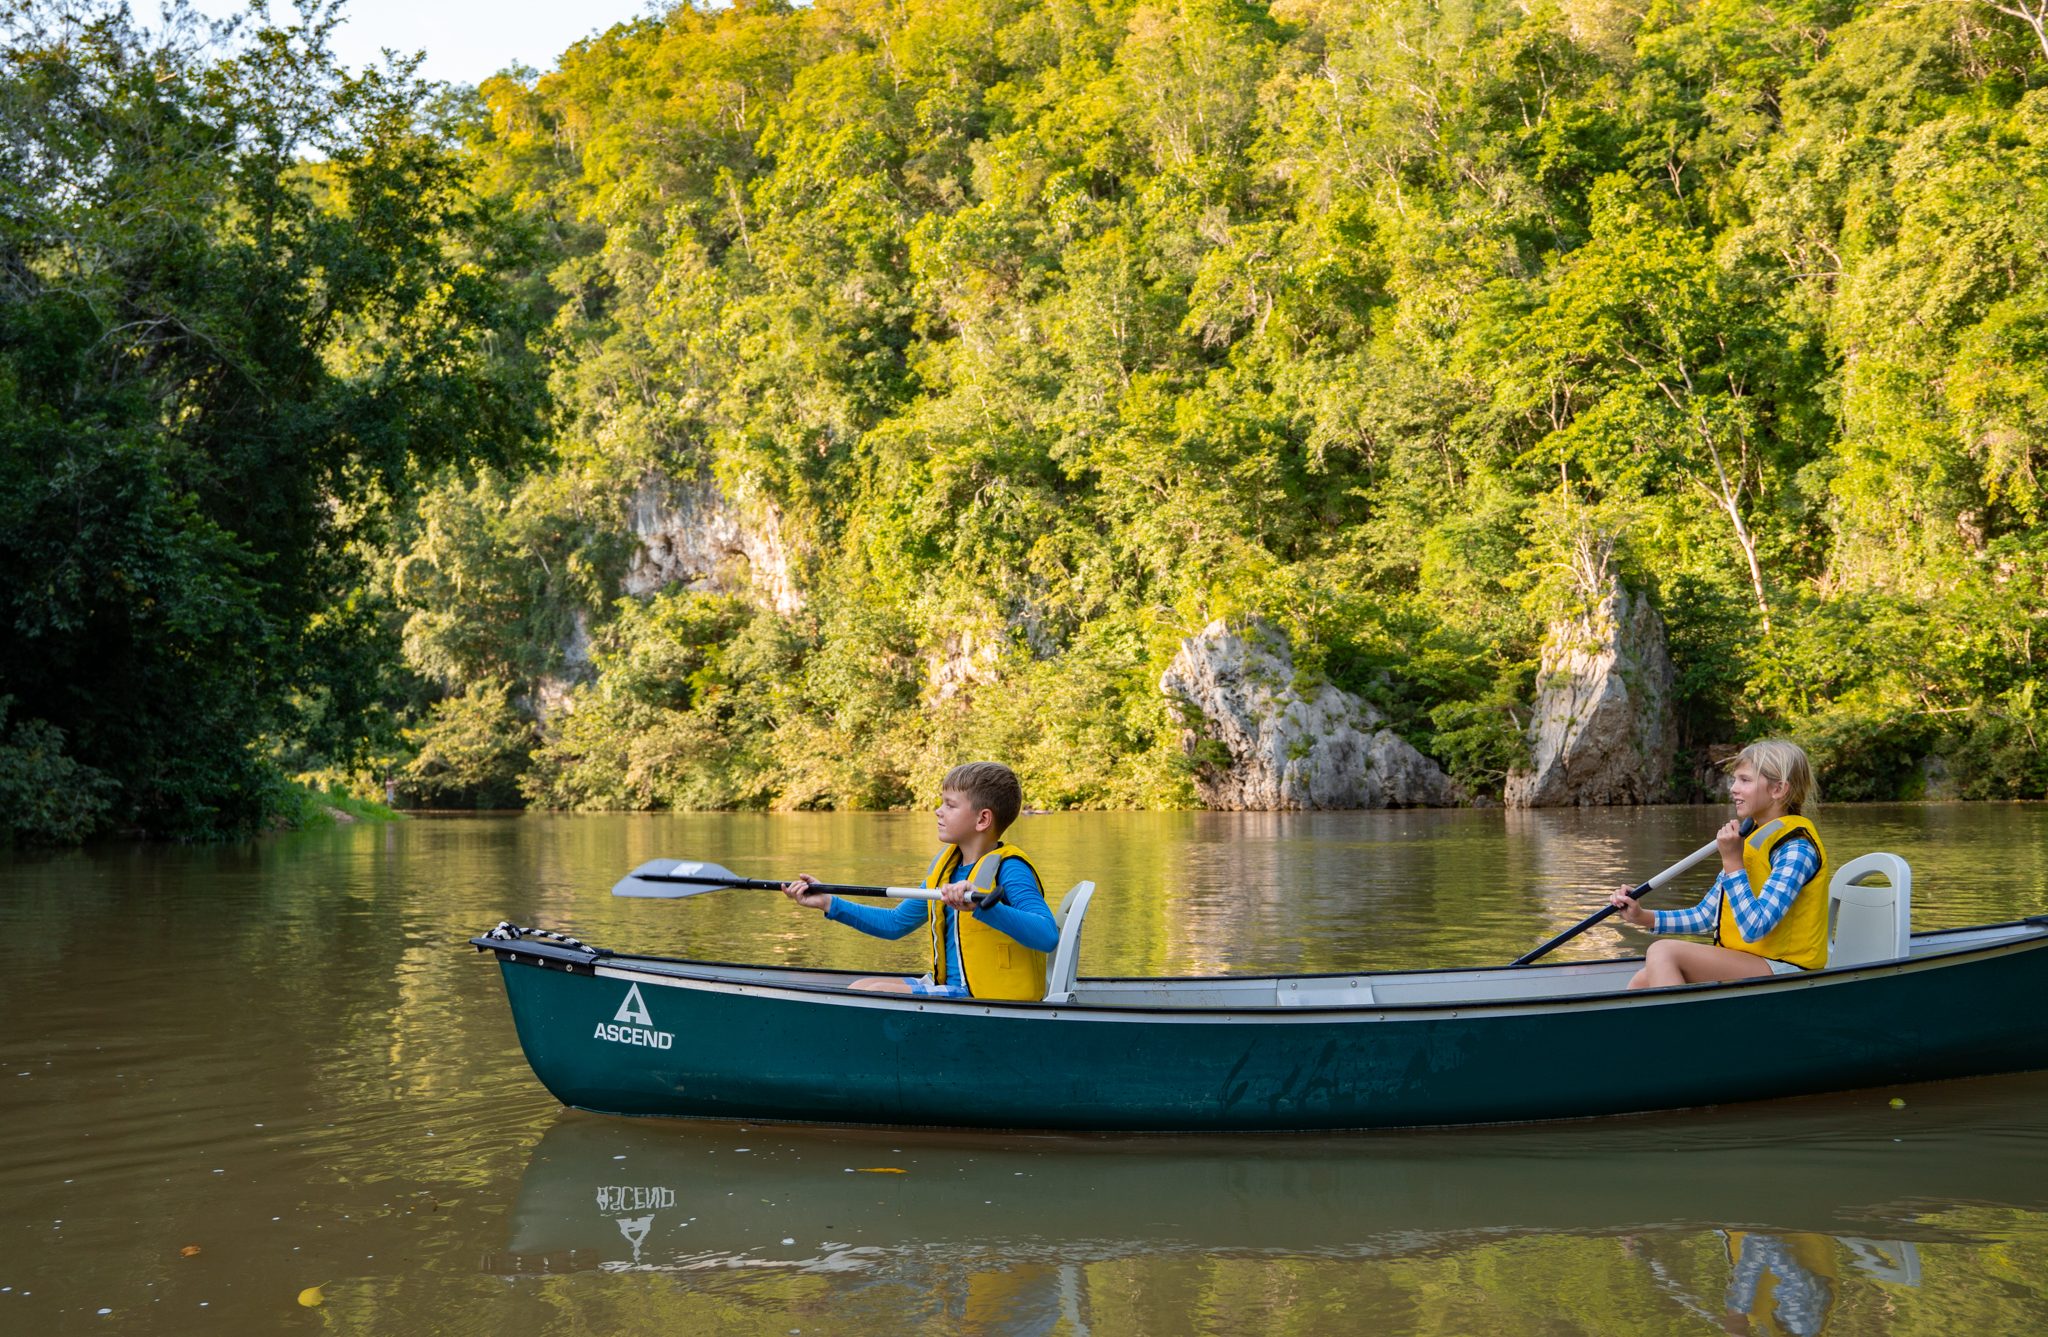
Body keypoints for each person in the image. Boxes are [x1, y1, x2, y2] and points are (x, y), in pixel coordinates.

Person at [782, 761, 1060, 1001]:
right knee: (860, 987)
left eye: (950, 805)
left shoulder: (1010, 869)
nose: (938, 811)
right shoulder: (947, 867)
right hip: (949, 987)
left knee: (872, 992)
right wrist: (828, 903)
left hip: (984, 997)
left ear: (982, 818)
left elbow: (1047, 935)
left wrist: (984, 907)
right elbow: (894, 924)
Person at [1609, 739, 1829, 989]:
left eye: (1745, 780)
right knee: (1642, 981)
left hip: (1787, 971)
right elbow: (1705, 915)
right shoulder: (1750, 839)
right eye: (1735, 780)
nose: (1733, 788)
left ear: (1778, 789)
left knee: (1663, 952)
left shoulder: (1796, 849)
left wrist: (1733, 861)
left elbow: (1755, 927)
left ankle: (1687, 1028)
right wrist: (1641, 916)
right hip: (1751, 961)